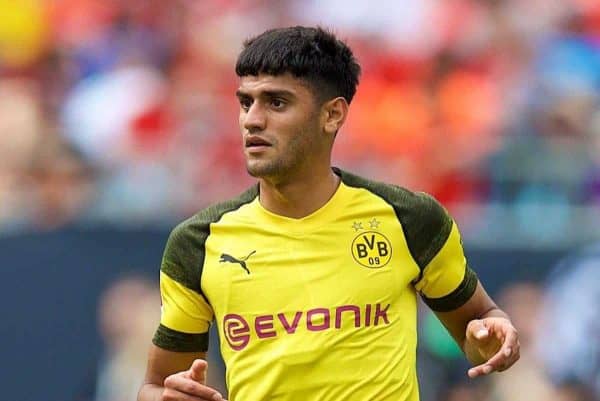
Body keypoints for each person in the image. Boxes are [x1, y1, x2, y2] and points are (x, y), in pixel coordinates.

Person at [137, 26, 520, 401]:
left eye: (277, 102)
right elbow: (157, 385)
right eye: (245, 102)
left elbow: (478, 327)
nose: (252, 120)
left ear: (333, 115)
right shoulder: (198, 243)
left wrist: (493, 337)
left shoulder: (409, 219)